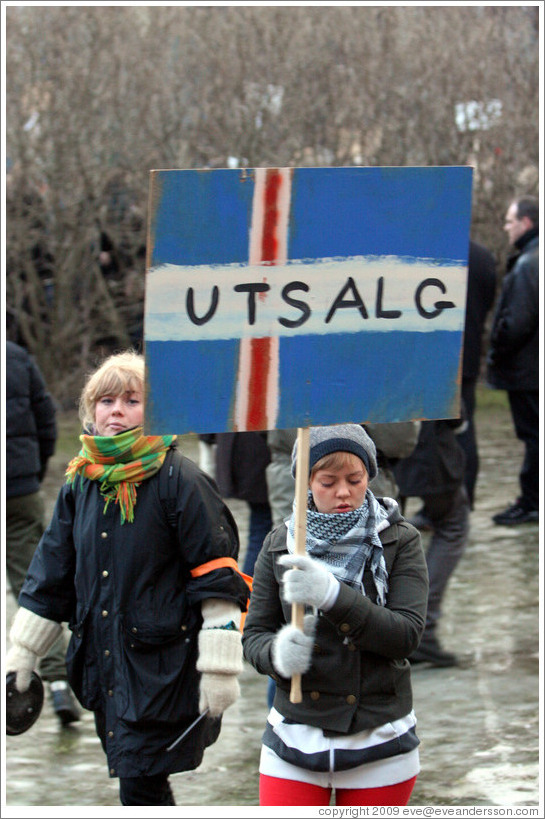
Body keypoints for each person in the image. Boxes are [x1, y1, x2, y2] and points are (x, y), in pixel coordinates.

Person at [6, 350, 250, 806]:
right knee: (141, 785)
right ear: (90, 411)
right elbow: (50, 572)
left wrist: (219, 670)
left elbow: (217, 579)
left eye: (132, 400)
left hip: (163, 667)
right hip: (102, 665)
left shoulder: (182, 479)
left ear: (154, 411)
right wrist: (23, 653)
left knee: (141, 785)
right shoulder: (81, 481)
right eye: (106, 400)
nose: (116, 410)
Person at [243, 424, 429, 807]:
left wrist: (332, 595)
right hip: (295, 736)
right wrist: (276, 655)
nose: (343, 492)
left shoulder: (400, 539)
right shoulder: (281, 542)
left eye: (355, 479)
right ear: (306, 481)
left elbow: (405, 636)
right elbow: (255, 634)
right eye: (328, 481)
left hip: (379, 735)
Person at [5, 339, 80, 725]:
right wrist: (31, 471)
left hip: (21, 482)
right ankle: (54, 683)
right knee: (32, 587)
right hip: (19, 486)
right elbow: (46, 418)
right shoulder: (17, 357)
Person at [394, 419, 470, 667]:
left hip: (381, 451)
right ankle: (420, 627)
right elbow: (451, 407)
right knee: (453, 524)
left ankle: (405, 627)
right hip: (424, 447)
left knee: (387, 539)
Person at [487, 195, 539, 525]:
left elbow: (517, 322)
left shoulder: (528, 264)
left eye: (509, 221)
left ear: (526, 223)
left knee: (533, 435)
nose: (506, 227)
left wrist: (496, 347)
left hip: (527, 370)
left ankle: (531, 501)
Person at [457, 239, 497, 509]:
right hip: (469, 353)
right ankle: (464, 497)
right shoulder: (484, 256)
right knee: (464, 430)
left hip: (443, 357)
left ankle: (440, 502)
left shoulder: (432, 248)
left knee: (435, 433)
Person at [214, 431, 273, 576]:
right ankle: (250, 588)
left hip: (242, 455)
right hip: (257, 457)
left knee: (259, 527)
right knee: (261, 529)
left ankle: (249, 587)